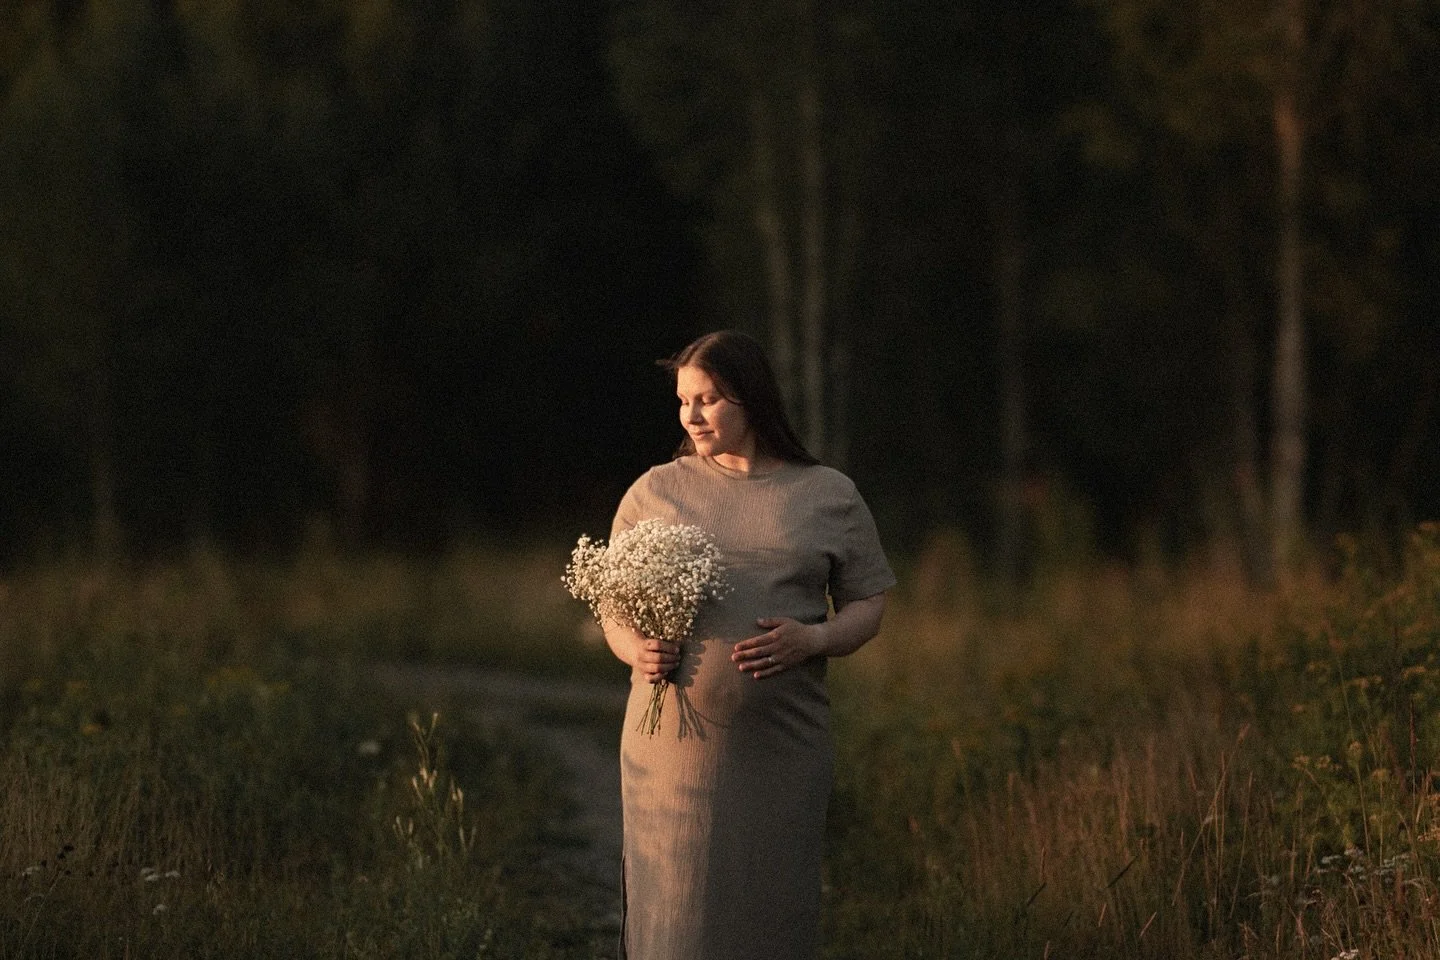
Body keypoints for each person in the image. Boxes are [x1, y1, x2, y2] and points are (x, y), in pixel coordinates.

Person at [602, 329, 896, 960]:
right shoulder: (656, 491)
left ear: (751, 398)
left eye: (707, 398)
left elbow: (869, 604)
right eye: (684, 401)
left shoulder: (827, 494)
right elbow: (612, 605)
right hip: (672, 752)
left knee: (769, 913)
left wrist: (813, 637)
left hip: (781, 748)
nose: (691, 415)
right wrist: (636, 649)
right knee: (675, 917)